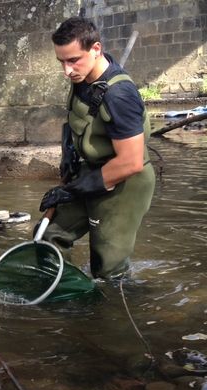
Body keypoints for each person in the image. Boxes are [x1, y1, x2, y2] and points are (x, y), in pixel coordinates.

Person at [38, 17, 155, 279]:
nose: (67, 71)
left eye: (73, 60)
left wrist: (71, 190)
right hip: (90, 170)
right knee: (50, 236)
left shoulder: (119, 96)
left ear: (96, 49)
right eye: (62, 62)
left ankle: (110, 313)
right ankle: (61, 295)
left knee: (107, 269)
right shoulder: (82, 75)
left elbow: (130, 162)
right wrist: (68, 161)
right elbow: (78, 121)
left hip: (126, 181)